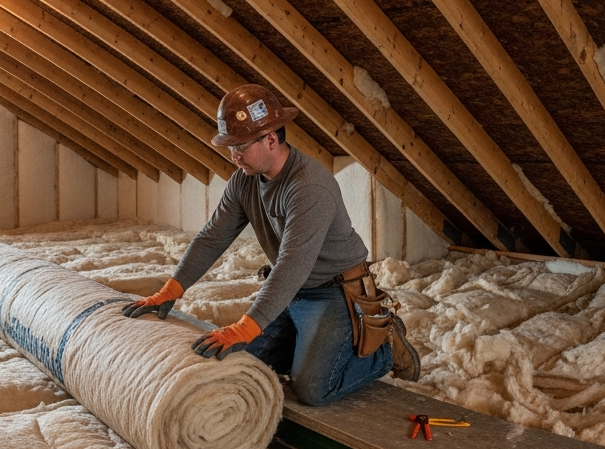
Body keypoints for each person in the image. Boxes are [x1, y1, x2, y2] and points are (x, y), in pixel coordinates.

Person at [122, 84, 419, 406]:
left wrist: (246, 326)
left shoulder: (309, 186)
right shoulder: (244, 179)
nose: (234, 157)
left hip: (334, 292)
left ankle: (385, 347)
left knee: (312, 389)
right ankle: (309, 344)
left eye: (240, 147)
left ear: (271, 140)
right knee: (244, 361)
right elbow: (212, 237)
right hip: (292, 291)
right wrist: (171, 290)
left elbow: (293, 264)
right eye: (230, 147)